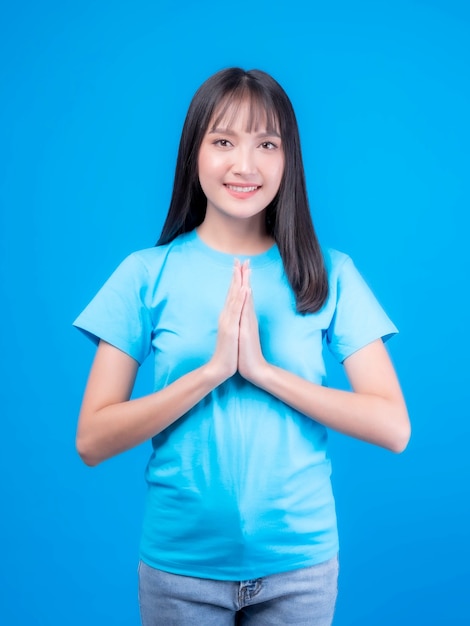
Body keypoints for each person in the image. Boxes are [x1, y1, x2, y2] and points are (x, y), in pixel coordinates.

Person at [73, 67, 410, 626]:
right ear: (193, 153)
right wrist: (210, 373)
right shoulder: (145, 275)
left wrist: (261, 371)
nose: (245, 165)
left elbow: (393, 428)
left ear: (288, 159)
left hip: (300, 569)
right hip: (179, 571)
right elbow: (92, 440)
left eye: (267, 144)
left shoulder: (330, 273)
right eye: (223, 141)